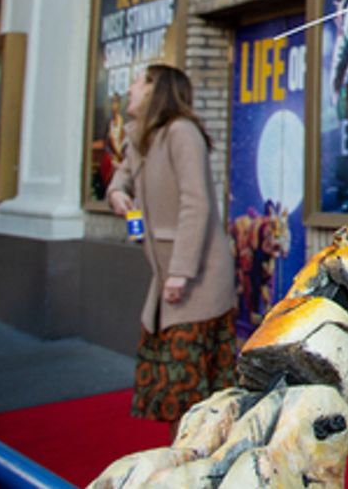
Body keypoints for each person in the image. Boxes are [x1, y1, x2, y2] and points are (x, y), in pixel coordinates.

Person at [108, 64, 237, 430]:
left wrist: (181, 271)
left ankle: (201, 464)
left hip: (197, 276)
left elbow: (196, 203)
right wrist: (117, 191)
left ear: (154, 90)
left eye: (137, 82)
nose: (130, 89)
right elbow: (124, 172)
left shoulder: (182, 133)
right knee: (174, 383)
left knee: (191, 383)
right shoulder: (142, 135)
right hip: (167, 276)